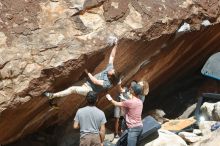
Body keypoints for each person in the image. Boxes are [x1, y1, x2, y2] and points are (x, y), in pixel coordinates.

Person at [44, 36, 119, 99]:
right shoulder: (109, 69)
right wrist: (115, 45)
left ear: (110, 76)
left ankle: (52, 96)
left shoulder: (107, 83)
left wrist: (88, 72)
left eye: (112, 71)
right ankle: (54, 99)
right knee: (70, 87)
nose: (112, 69)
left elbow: (95, 81)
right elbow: (112, 57)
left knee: (72, 89)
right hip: (85, 81)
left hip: (89, 90)